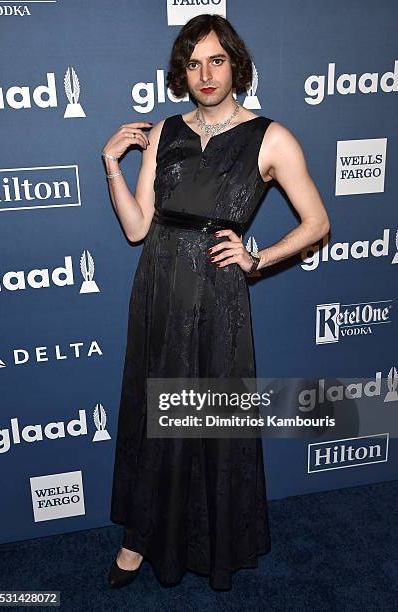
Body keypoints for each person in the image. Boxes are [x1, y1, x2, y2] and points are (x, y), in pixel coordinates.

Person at [102, 14, 330, 591]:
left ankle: (211, 543)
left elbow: (317, 222)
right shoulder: (166, 132)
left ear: (237, 65)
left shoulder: (270, 137)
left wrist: (257, 259)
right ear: (182, 71)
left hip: (216, 297)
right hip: (157, 287)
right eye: (194, 62)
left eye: (217, 60)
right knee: (154, 413)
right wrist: (111, 165)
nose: (205, 73)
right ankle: (138, 539)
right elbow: (136, 228)